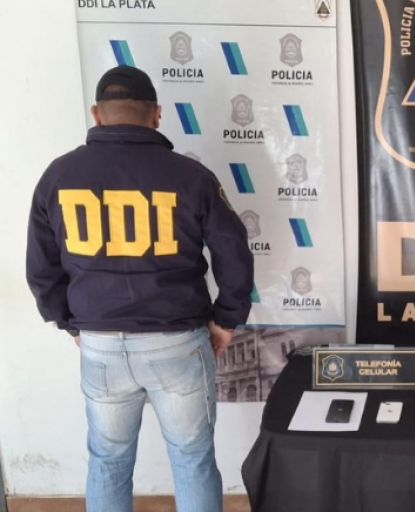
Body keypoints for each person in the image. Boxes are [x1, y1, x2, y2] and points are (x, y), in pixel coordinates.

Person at [25, 66, 254, 512]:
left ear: (96, 114)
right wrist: (227, 320)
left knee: (108, 462)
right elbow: (234, 253)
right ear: (157, 115)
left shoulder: (58, 175)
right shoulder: (191, 175)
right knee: (192, 460)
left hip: (100, 344)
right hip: (177, 343)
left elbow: (41, 266)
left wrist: (69, 324)